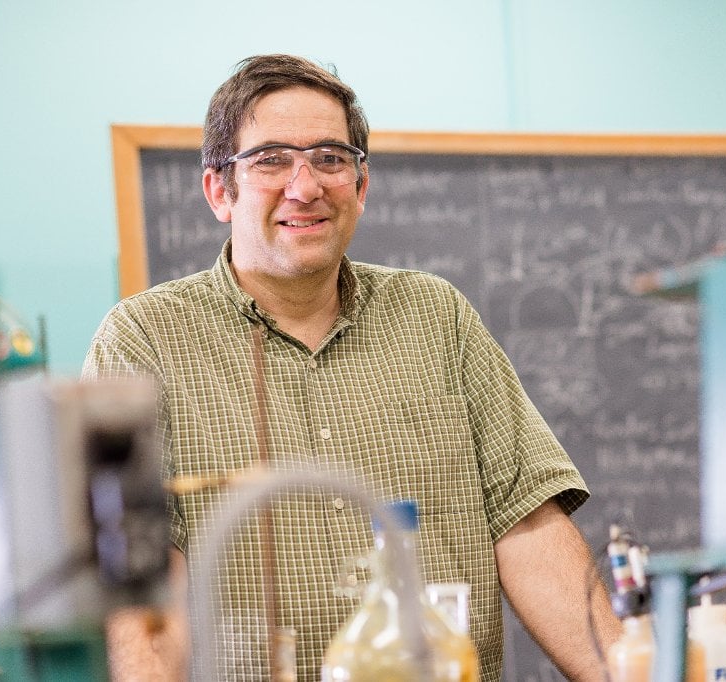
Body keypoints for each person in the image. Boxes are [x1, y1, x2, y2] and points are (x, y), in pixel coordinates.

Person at [83, 53, 621, 681]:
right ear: (218, 191)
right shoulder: (144, 340)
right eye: (271, 159)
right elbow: (133, 588)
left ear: (361, 186)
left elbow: (526, 524)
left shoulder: (435, 315)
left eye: (331, 159)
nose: (305, 186)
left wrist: (628, 673)